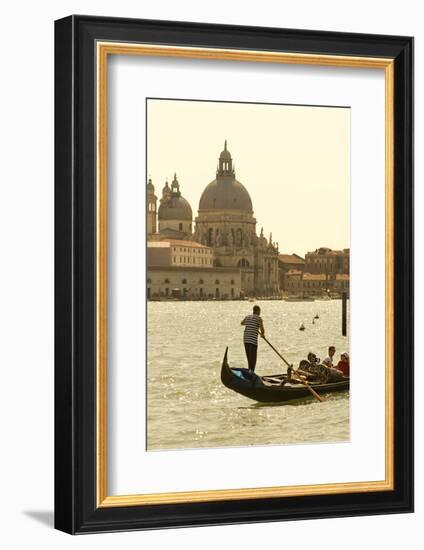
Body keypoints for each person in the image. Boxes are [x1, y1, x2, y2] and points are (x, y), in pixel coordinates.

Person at [241, 305, 265, 372]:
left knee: (249, 358)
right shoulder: (259, 318)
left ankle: (250, 372)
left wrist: (250, 323)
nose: (260, 312)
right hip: (252, 340)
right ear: (257, 311)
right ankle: (251, 373)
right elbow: (262, 329)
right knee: (253, 359)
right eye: (259, 311)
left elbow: (242, 323)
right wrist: (262, 335)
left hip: (246, 339)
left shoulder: (248, 317)